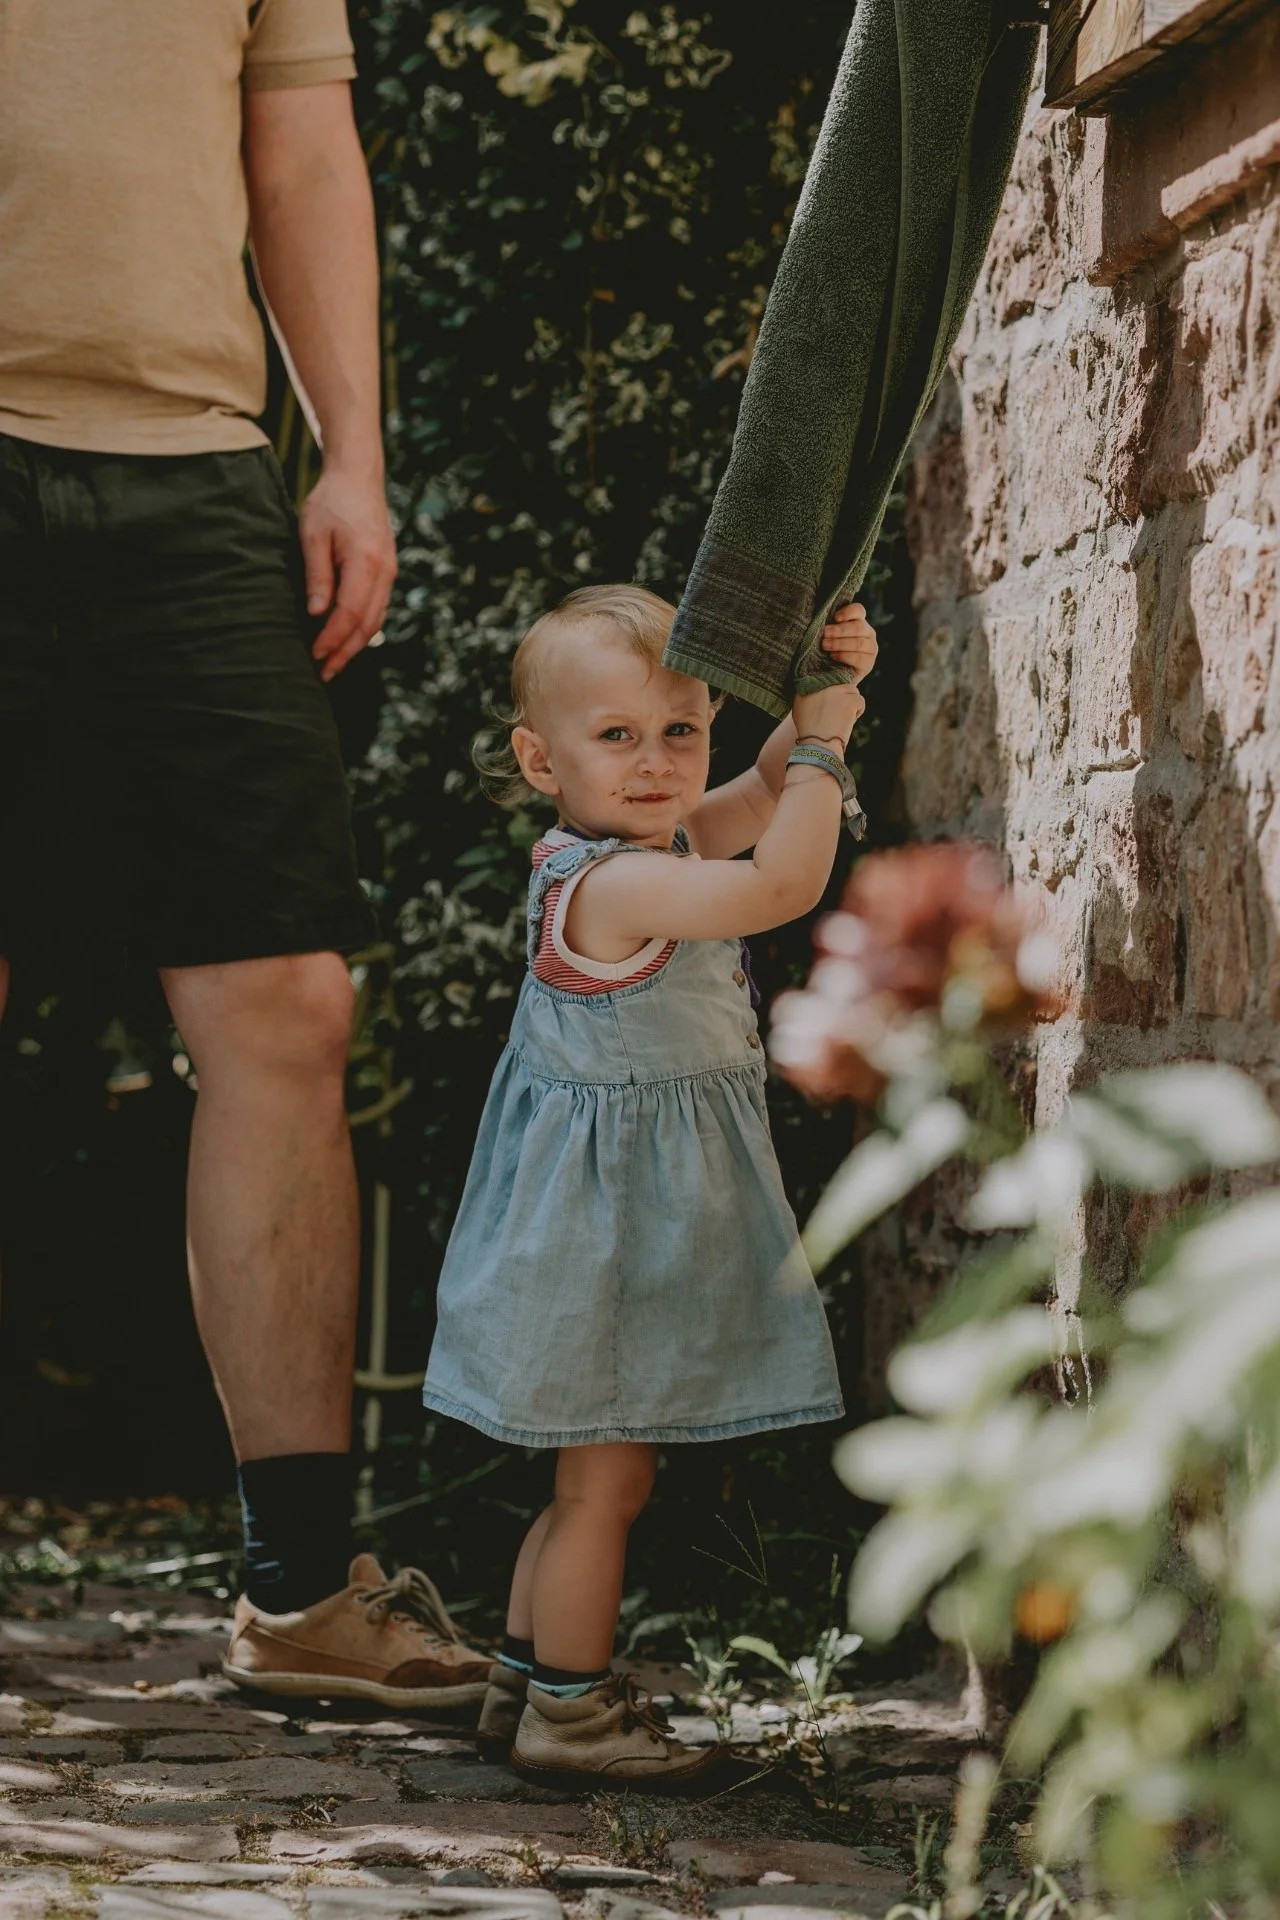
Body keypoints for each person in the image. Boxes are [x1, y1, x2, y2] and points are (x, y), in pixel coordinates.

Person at [0, 1, 487, 1705]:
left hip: (196, 476)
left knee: (285, 1000)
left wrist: (349, 454)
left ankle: (300, 1591)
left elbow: (298, 151)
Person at [424, 583, 878, 1786]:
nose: (654, 761)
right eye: (615, 736)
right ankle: (569, 1714)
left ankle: (523, 1686)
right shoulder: (622, 886)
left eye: (680, 730)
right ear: (540, 758)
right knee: (606, 1480)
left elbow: (753, 799)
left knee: (585, 1474)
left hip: (597, 1230)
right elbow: (780, 881)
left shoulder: (627, 850)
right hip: (611, 1240)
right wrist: (824, 748)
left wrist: (815, 697)